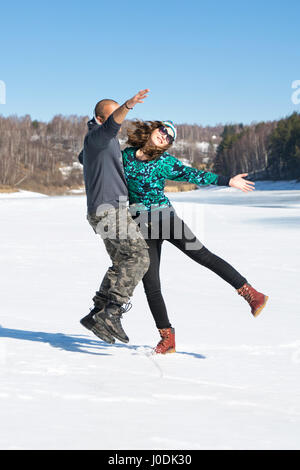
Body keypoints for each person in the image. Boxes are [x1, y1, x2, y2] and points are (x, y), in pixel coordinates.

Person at [121, 120, 269, 354]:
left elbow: (193, 174)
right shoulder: (126, 156)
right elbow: (104, 166)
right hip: (141, 226)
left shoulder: (164, 162)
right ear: (153, 130)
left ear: (168, 145)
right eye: (163, 131)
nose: (165, 136)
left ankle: (252, 295)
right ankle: (167, 338)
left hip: (166, 220)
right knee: (151, 283)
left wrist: (226, 180)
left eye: (169, 137)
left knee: (203, 256)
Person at [79, 90, 150, 345]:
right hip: (109, 210)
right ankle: (112, 312)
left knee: (122, 261)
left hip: (103, 210)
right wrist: (128, 105)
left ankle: (96, 312)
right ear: (100, 119)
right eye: (112, 118)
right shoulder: (98, 135)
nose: (117, 124)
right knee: (139, 257)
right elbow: (111, 125)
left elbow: (82, 158)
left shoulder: (97, 143)